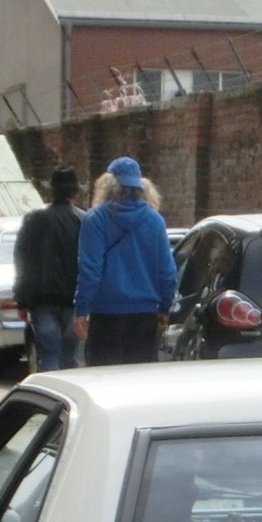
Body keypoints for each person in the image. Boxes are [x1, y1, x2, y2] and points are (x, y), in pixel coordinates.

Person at [73, 156, 177, 366]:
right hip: (145, 315)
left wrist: (81, 309)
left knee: (104, 381)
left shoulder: (96, 219)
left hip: (106, 315)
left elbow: (90, 270)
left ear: (107, 185)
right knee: (138, 384)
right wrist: (164, 308)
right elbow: (167, 272)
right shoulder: (154, 220)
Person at [14, 165, 85, 372]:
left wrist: (21, 299)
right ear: (76, 192)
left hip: (42, 299)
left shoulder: (33, 219)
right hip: (73, 298)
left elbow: (22, 259)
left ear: (51, 191)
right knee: (70, 358)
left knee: (48, 356)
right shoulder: (82, 220)